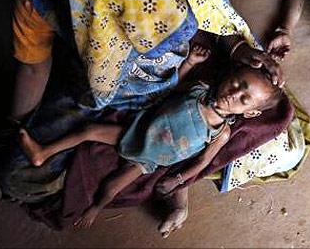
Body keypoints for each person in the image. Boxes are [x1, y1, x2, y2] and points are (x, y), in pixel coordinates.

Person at [0, 0, 285, 236]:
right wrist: (13, 135)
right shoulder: (39, 2)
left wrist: (241, 46)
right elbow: (33, 72)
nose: (234, 92)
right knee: (16, 175)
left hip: (147, 136)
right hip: (106, 92)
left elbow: (213, 8)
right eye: (149, 45)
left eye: (171, 34)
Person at [17, 45, 282, 228]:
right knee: (87, 131)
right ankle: (43, 153)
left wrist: (178, 179)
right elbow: (172, 88)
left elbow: (202, 163)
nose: (233, 94)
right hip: (136, 130)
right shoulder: (200, 91)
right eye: (237, 83)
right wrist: (189, 63)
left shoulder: (220, 133)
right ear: (230, 75)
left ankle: (95, 208)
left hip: (148, 161)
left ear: (249, 112)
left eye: (244, 99)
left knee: (113, 186)